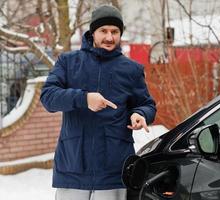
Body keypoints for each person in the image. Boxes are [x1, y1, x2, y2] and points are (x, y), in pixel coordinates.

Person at [40, 4, 156, 200]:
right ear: (92, 32)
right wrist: (83, 98)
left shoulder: (132, 69)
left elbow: (147, 104)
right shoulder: (68, 62)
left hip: (113, 170)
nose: (109, 37)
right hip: (73, 166)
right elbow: (48, 97)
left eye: (115, 31)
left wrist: (140, 114)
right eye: (103, 31)